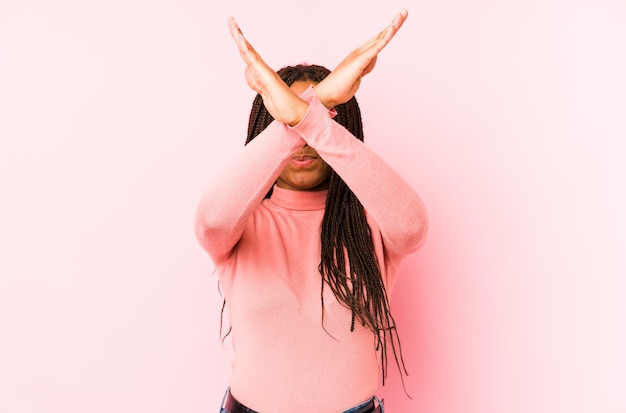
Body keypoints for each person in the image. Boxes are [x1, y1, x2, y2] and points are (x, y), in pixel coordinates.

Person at [194, 9, 427, 413]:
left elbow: (413, 228)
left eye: (322, 116)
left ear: (343, 128)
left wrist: (310, 120)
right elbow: (210, 222)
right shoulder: (241, 222)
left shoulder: (370, 219)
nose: (303, 139)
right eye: (287, 118)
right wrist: (310, 113)